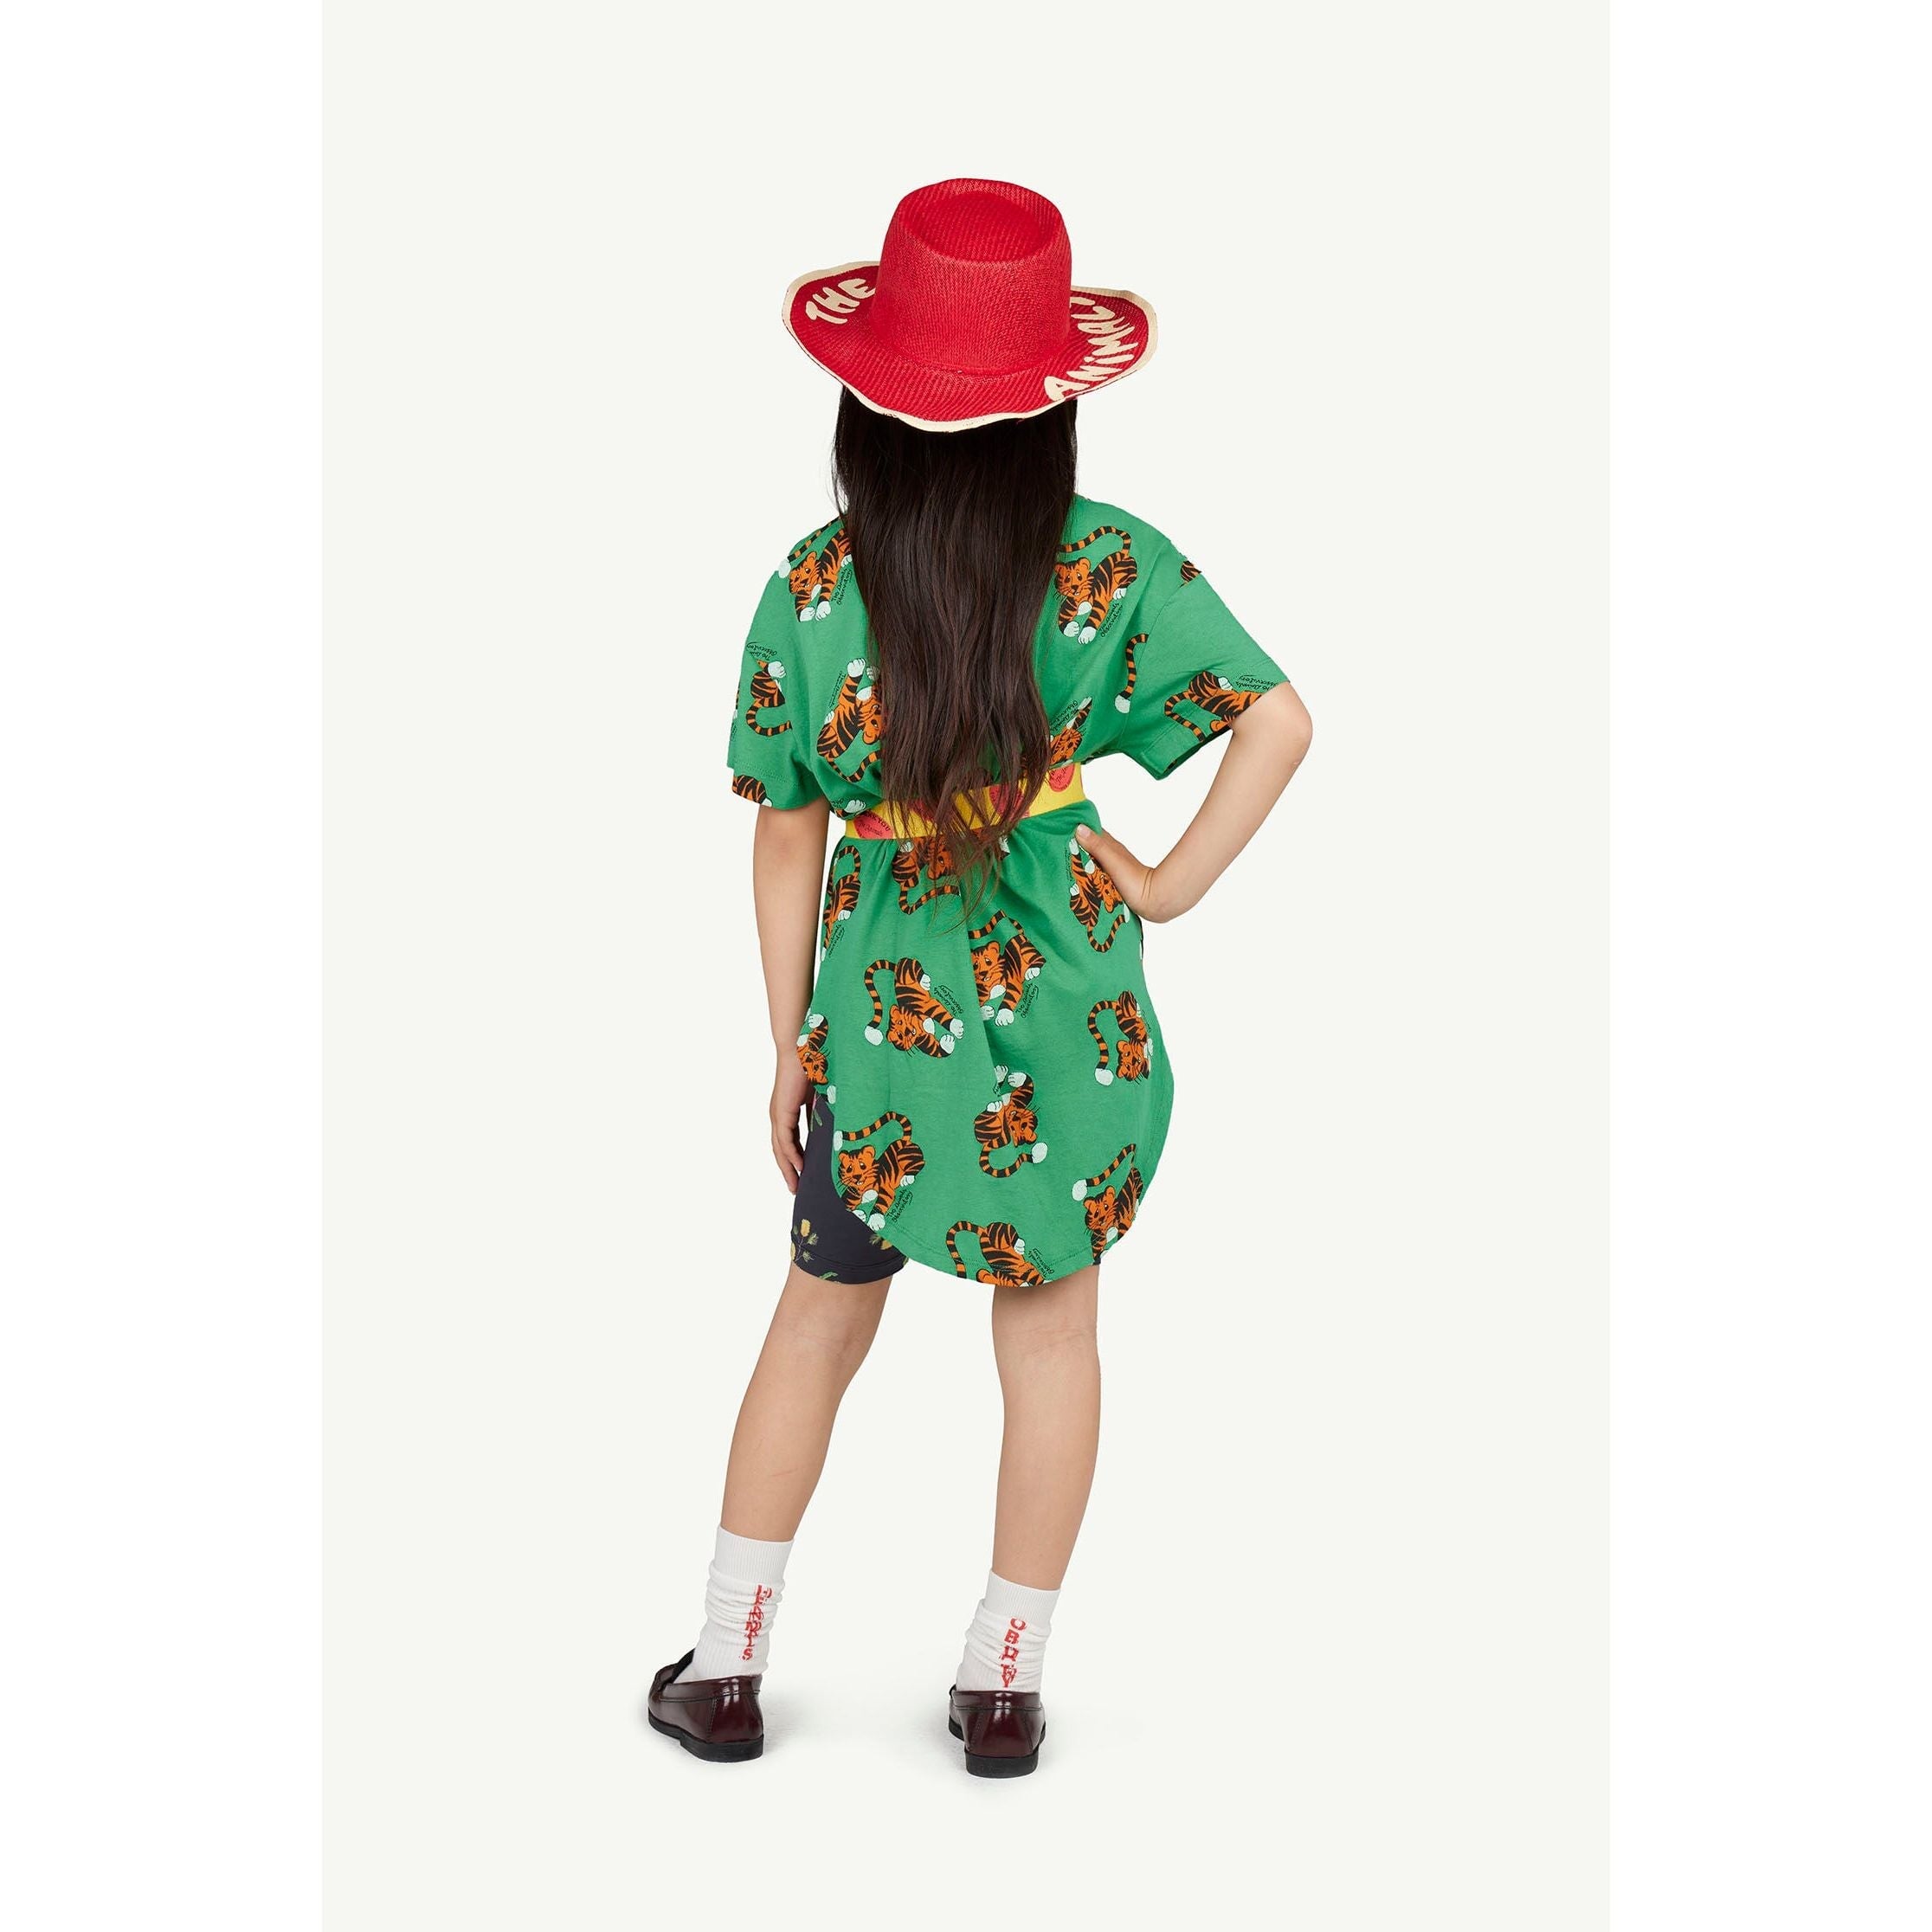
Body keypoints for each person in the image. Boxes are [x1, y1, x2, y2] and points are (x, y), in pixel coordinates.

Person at [647, 178, 1313, 1777]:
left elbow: (786, 834)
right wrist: (1163, 885)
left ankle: (727, 1668)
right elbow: (1281, 722)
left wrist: (789, 1046)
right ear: (1054, 410)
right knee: (1055, 1342)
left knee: (817, 1321)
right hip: (1068, 1015)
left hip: (880, 1033)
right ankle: (1004, 1686)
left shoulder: (813, 588)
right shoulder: (1111, 566)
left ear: (866, 410)